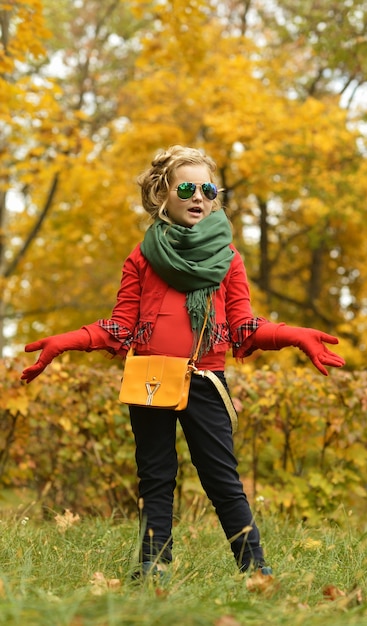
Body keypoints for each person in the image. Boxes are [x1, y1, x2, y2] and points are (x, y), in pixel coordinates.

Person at [21, 145, 345, 578]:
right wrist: (66, 341)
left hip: (206, 380)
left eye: (208, 189)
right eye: (187, 187)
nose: (199, 197)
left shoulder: (228, 259)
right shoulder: (142, 257)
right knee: (155, 478)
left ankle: (256, 572)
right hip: (151, 380)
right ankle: (153, 569)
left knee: (222, 480)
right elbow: (120, 326)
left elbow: (243, 327)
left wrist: (293, 335)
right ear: (162, 195)